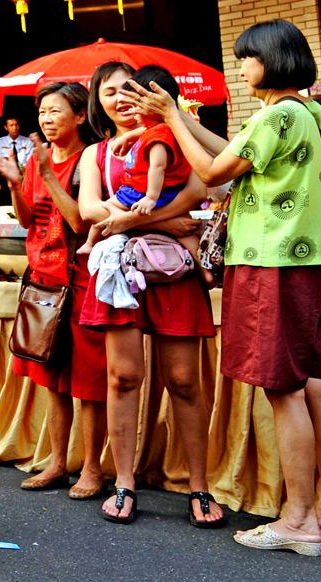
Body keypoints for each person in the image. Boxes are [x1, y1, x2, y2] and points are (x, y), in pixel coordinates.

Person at [128, 19, 321, 553]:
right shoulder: (309, 112)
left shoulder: (276, 115)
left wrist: (169, 123)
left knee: (283, 388)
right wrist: (178, 115)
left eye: (247, 57)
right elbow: (235, 153)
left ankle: (298, 521)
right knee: (318, 384)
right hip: (311, 261)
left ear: (271, 59)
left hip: (271, 261)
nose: (243, 66)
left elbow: (210, 170)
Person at [74, 62, 220, 528]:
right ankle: (123, 482)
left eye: (129, 89)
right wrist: (163, 222)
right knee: (123, 378)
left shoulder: (175, 138)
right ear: (98, 101)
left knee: (184, 380)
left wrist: (132, 220)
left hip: (172, 271)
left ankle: (200, 486)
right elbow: (90, 210)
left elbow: (198, 190)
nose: (120, 98)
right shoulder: (95, 154)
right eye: (110, 91)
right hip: (119, 272)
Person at [0, 82, 107, 498]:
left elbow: (80, 223)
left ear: (79, 116)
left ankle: (92, 469)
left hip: (82, 280)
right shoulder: (38, 161)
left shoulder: (90, 159)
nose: (47, 120)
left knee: (87, 383)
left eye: (55, 111)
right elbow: (26, 221)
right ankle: (57, 462)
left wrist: (50, 174)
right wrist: (17, 181)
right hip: (44, 281)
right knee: (52, 378)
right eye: (42, 113)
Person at [103, 66, 193, 217]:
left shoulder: (159, 139)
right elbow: (145, 132)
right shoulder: (160, 128)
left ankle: (90, 242)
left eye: (136, 105)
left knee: (107, 208)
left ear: (154, 104)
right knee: (184, 233)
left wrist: (150, 198)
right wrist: (127, 136)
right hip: (153, 192)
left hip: (143, 193)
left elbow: (158, 167)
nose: (133, 111)